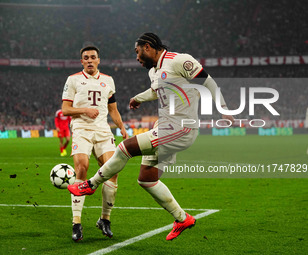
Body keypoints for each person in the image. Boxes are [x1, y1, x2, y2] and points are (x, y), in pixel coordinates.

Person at [68, 33, 235, 241]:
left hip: (180, 129)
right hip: (165, 127)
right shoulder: (155, 72)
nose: (137, 58)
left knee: (124, 148)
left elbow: (207, 82)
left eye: (138, 52)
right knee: (146, 179)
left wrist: (224, 109)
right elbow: (157, 91)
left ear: (147, 47)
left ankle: (90, 184)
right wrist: (138, 98)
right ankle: (182, 218)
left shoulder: (180, 60)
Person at [61, 45, 128, 242]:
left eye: (93, 57)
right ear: (81, 61)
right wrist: (84, 110)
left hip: (103, 130)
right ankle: (76, 222)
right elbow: (65, 109)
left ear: (99, 60)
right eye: (86, 58)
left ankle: (104, 219)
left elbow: (113, 109)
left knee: (113, 170)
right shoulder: (73, 80)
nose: (90, 60)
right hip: (81, 129)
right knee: (82, 167)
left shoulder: (108, 80)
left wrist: (122, 127)